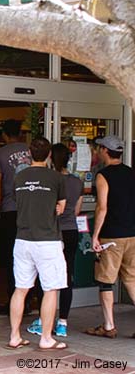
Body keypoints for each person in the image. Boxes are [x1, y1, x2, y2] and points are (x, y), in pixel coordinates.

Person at [7, 137, 67, 351]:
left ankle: (14, 336)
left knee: (20, 289)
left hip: (22, 239)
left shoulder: (19, 177)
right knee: (50, 289)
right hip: (48, 240)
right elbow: (61, 207)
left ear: (30, 154)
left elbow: (17, 200)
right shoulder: (56, 178)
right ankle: (46, 338)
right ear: (49, 154)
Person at [26, 143, 83, 338]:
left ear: (51, 158)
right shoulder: (77, 182)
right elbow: (75, 210)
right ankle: (62, 323)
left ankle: (43, 322)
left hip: (53, 232)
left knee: (46, 278)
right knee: (67, 277)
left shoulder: (51, 179)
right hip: (72, 231)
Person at [86, 135, 135, 339]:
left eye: (99, 148)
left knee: (105, 281)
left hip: (111, 235)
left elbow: (102, 207)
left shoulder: (103, 176)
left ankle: (108, 326)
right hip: (132, 234)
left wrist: (95, 235)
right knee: (132, 279)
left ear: (105, 151)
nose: (97, 151)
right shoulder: (132, 173)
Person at [0, 119, 32, 314]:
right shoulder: (33, 151)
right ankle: (32, 300)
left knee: (11, 257)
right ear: (21, 133)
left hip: (10, 209)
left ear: (4, 134)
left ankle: (13, 301)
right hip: (32, 210)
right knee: (31, 256)